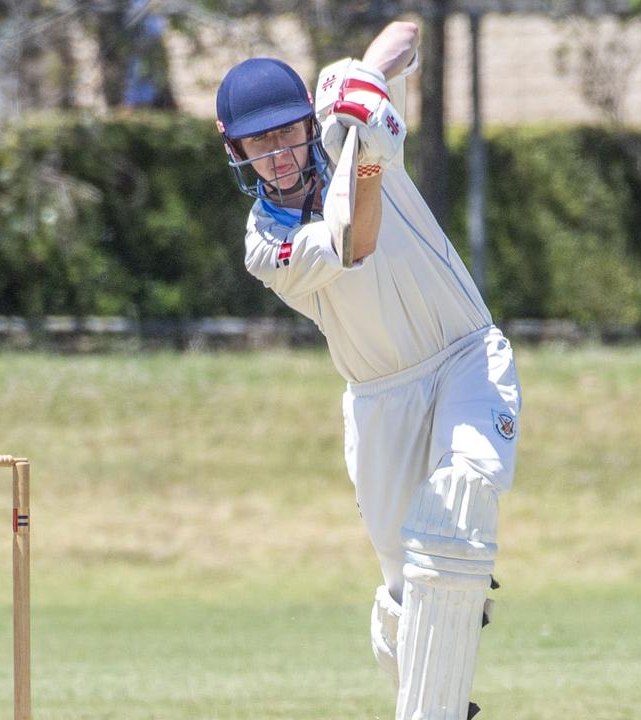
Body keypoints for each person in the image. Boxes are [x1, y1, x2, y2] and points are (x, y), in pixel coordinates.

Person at [215, 21, 521, 720]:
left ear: (305, 121)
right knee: (405, 589)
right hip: (379, 401)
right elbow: (357, 239)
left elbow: (404, 35)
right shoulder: (267, 244)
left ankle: (445, 682)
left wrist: (365, 83)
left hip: (465, 356)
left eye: (287, 133)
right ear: (237, 152)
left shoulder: (342, 126)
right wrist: (374, 163)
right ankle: (431, 698)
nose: (280, 152)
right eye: (260, 143)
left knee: (463, 494)